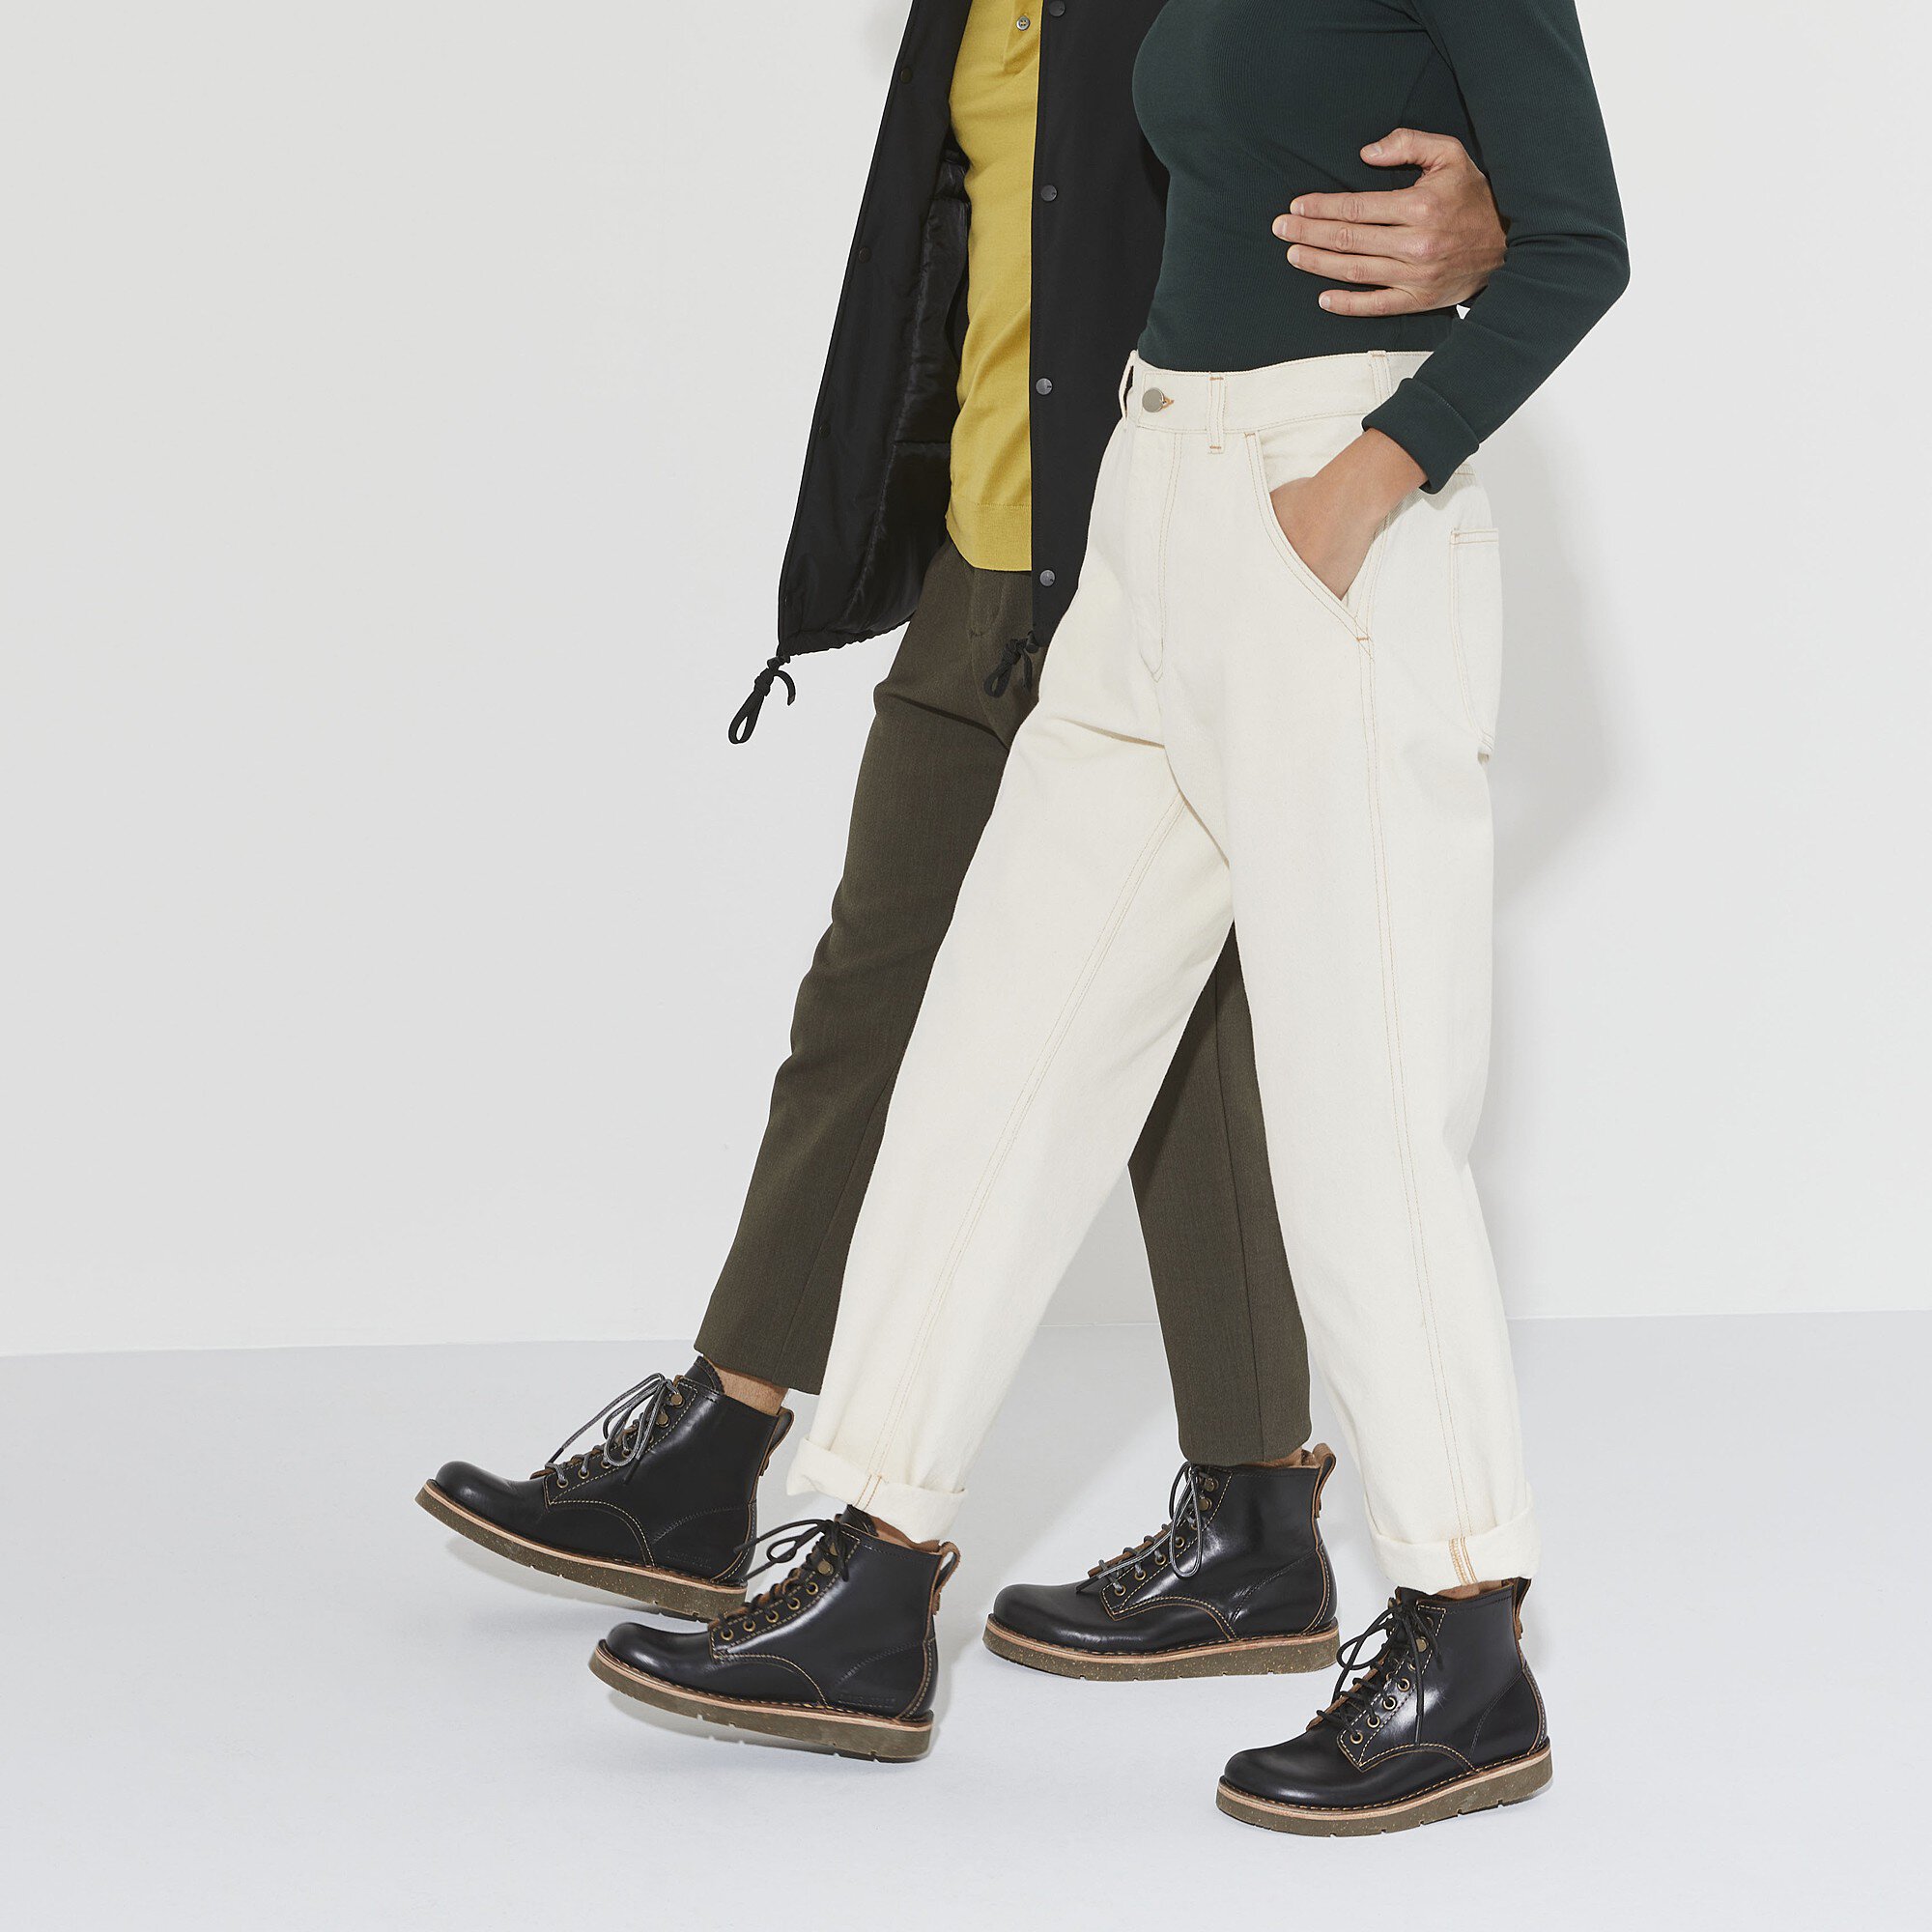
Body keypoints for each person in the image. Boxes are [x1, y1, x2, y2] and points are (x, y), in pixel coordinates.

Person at [590, 0, 1628, 1837]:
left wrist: (1370, 474)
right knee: (997, 1056)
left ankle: (1466, 1631)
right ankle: (873, 1571)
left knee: (1362, 1110)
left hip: (1328, 516)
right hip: (1153, 512)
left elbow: (1579, 242)